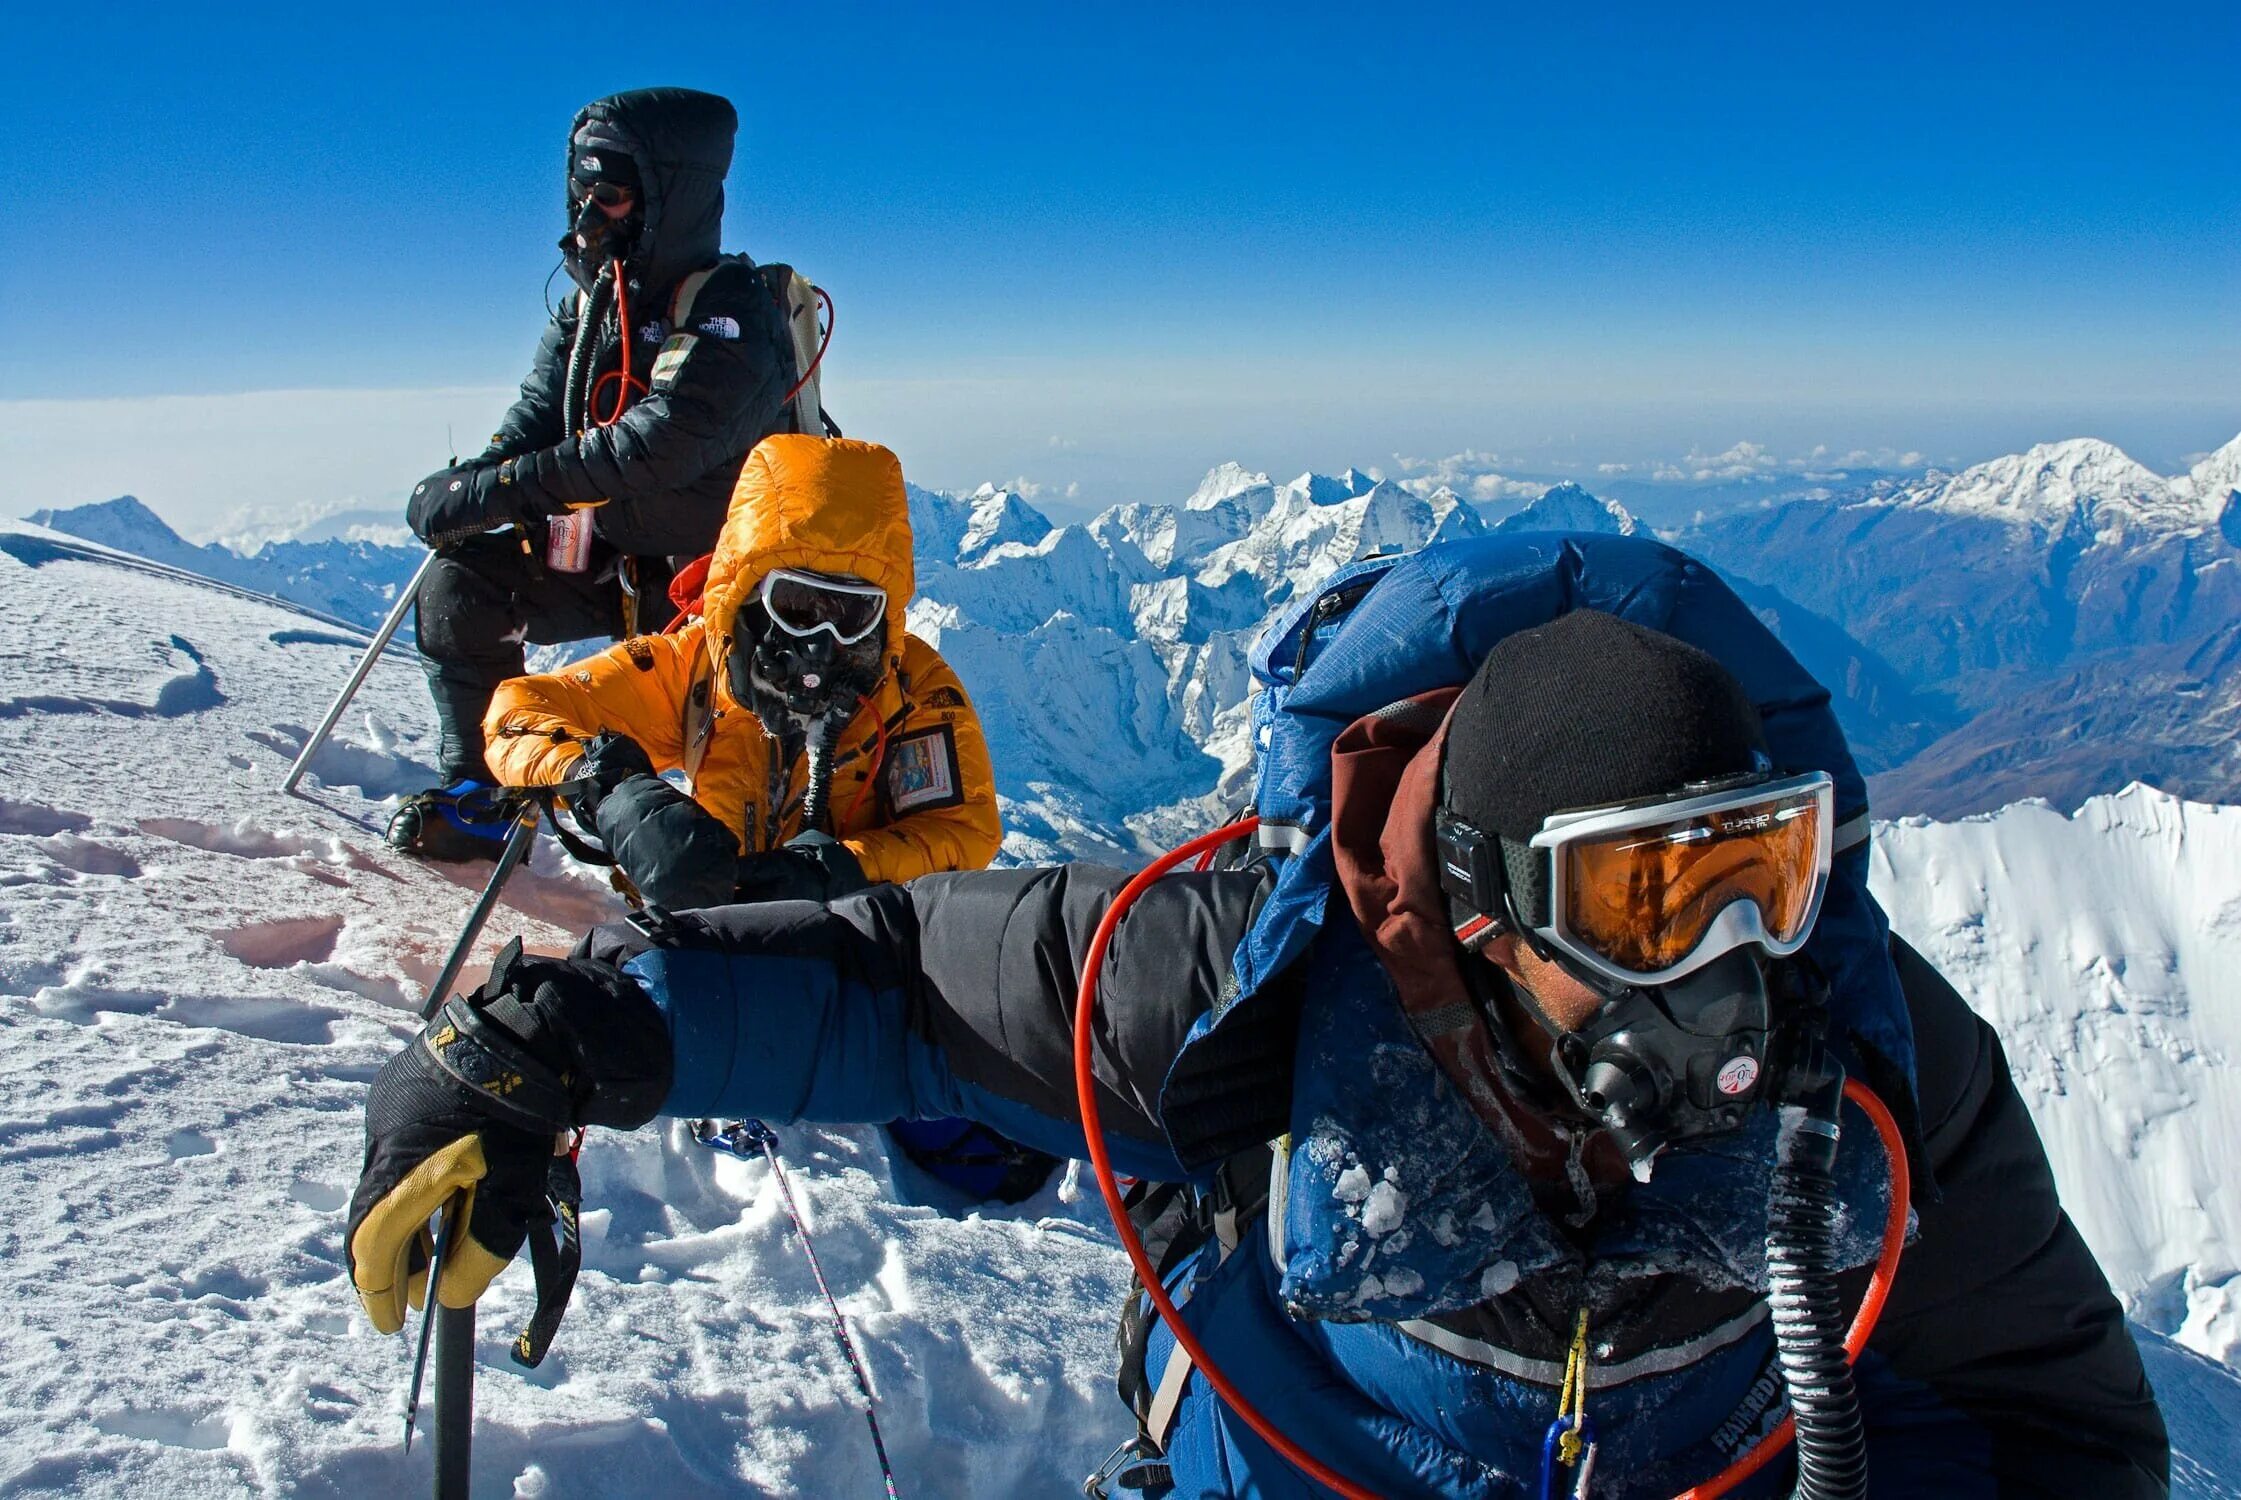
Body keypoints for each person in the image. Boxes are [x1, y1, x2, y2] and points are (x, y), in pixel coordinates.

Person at [347, 545, 2168, 1497]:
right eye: (1643, 897)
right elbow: (901, 974)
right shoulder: (1242, 976)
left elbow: (2053, 1424)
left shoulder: (1873, 1051)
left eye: (1764, 870)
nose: (1731, 961)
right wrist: (564, 1041)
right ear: (1479, 906)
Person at [390, 87, 807, 861]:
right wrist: (468, 488)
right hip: (617, 562)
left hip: (720, 597)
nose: (588, 214)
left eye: (610, 194)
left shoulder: (732, 316)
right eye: (583, 193)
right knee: (461, 583)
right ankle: (482, 794)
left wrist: (500, 489)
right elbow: (533, 425)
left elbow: (657, 446)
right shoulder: (588, 313)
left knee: (731, 796)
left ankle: (737, 896)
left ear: (667, 197)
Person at [477, 434, 1002, 912]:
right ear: (746, 596)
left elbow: (962, 832)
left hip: (859, 949)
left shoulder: (913, 690)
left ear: (882, 617)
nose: (821, 639)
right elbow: (518, 712)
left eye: (851, 614)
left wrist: (844, 869)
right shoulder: (697, 668)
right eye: (794, 603)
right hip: (715, 933)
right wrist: (612, 790)